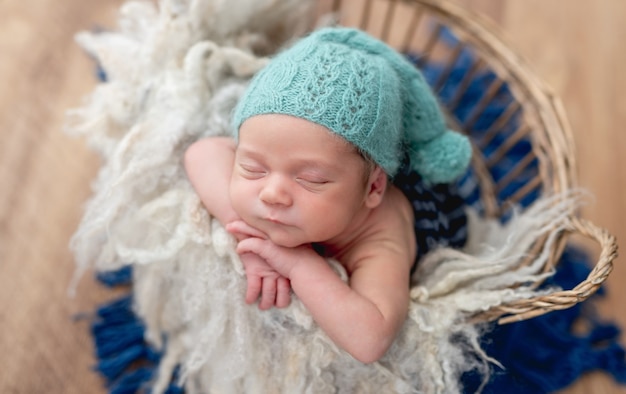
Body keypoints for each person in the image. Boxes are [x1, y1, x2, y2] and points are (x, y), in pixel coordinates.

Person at [184, 27, 471, 363]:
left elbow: (371, 339)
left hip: (422, 211)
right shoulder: (281, 146)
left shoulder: (379, 241)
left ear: (374, 188)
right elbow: (201, 153)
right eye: (253, 169)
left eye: (310, 180)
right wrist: (248, 233)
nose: (272, 193)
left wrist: (298, 263)